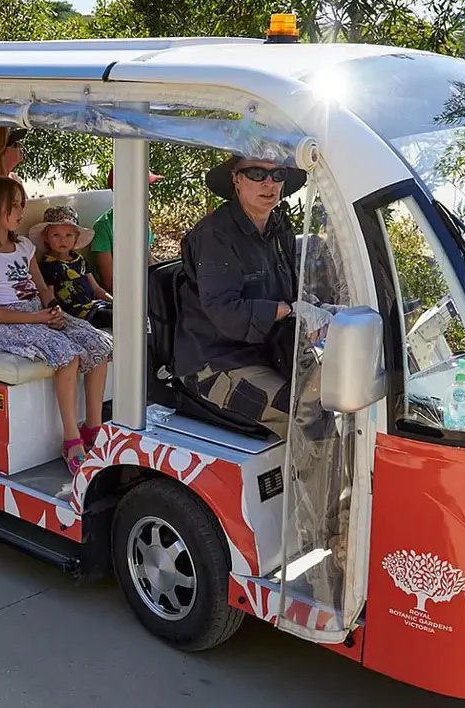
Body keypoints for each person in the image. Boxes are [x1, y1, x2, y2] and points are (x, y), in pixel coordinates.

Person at [174, 154, 346, 604]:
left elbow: (294, 288)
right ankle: (331, 548)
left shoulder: (277, 227)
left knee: (347, 401)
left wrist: (324, 308)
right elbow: (226, 313)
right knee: (308, 416)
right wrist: (290, 311)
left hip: (269, 350)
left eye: (277, 175)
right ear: (236, 180)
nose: (268, 183)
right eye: (256, 174)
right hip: (215, 362)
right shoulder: (214, 236)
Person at [0, 177, 112, 472]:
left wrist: (52, 309)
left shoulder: (22, 245)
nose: (22, 210)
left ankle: (93, 428)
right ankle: (71, 439)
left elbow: (42, 287)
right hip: (7, 322)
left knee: (99, 343)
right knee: (67, 355)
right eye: (16, 205)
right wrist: (38, 318)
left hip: (38, 313)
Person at [30, 205, 113, 328]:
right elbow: (49, 297)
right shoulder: (48, 265)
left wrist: (113, 300)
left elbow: (96, 289)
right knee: (115, 317)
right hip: (78, 313)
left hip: (95, 305)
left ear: (76, 237)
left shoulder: (79, 260)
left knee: (131, 310)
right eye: (56, 235)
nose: (63, 240)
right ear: (46, 238)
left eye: (68, 235)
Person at [89, 168, 159, 291]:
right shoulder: (103, 227)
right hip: (124, 295)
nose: (148, 194)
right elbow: (109, 282)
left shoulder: (140, 220)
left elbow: (149, 261)